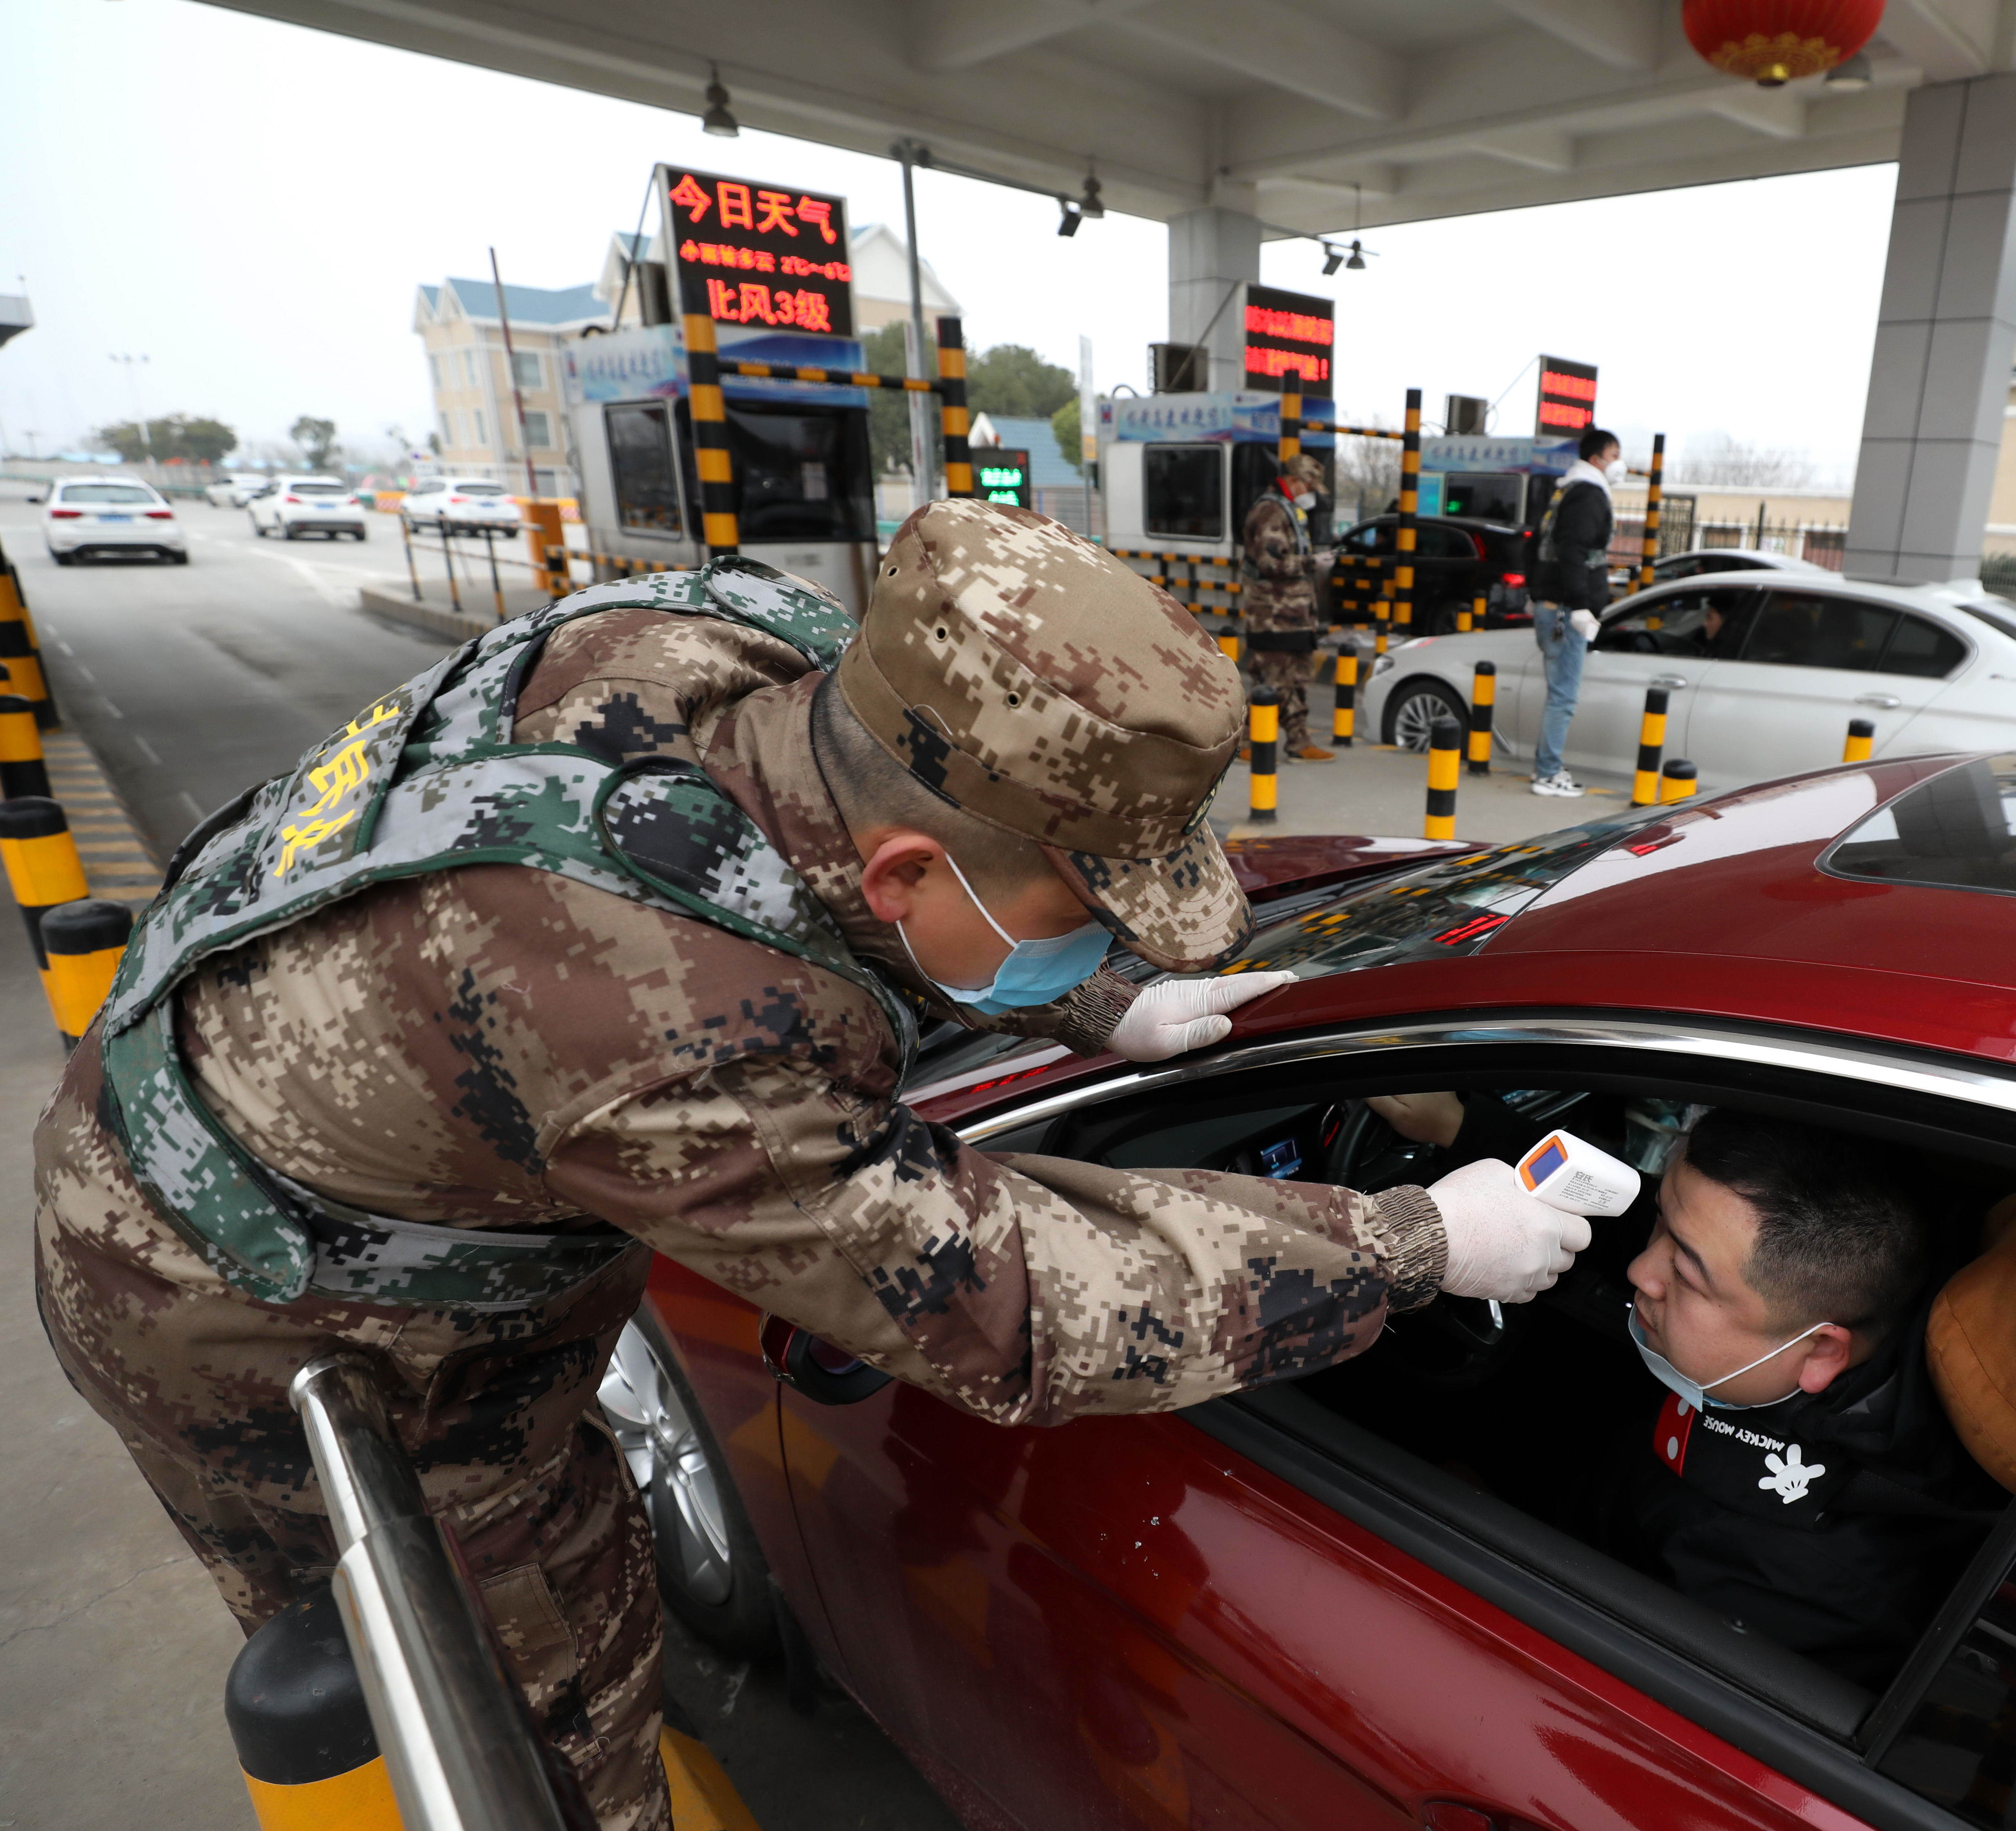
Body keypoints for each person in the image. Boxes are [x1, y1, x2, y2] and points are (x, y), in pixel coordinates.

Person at [35, 501, 1588, 1831]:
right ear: (912, 867)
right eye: (1088, 907)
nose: (1104, 931)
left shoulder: (735, 636)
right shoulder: (662, 1020)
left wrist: (1099, 991)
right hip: (246, 1296)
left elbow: (840, 865)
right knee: (521, 1674)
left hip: (280, 1072)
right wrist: (1410, 1242)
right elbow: (1002, 1296)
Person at [1599, 1109, 2003, 1685]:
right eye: (1660, 1223)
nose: (1642, 1269)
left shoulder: (1795, 1588)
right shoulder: (1864, 1268)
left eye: (1685, 1276)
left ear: (1820, 1353)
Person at [1528, 428, 1622, 797]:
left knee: (1558, 691)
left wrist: (1535, 592)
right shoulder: (1588, 495)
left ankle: (1547, 768)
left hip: (1552, 603)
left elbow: (1539, 543)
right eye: (1615, 455)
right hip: (1568, 610)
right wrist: (1582, 604)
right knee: (1564, 695)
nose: (1619, 463)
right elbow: (1572, 551)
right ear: (1597, 458)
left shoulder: (1566, 489)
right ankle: (1548, 773)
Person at [1239, 453, 1335, 763]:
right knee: (1278, 682)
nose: (1311, 493)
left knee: (1286, 680)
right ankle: (1293, 740)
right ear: (1294, 481)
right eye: (1309, 485)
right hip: (1274, 615)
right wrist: (1313, 563)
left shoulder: (1288, 511)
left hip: (1294, 614)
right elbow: (1272, 563)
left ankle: (1252, 740)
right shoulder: (1270, 512)